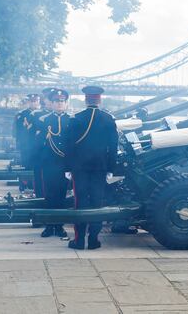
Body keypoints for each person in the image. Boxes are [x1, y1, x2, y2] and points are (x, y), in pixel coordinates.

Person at [62, 85, 118, 250]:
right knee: (97, 203)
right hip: (100, 168)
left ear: (86, 99)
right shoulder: (108, 119)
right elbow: (113, 147)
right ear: (99, 100)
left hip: (79, 168)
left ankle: (79, 241)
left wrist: (68, 168)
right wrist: (111, 169)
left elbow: (68, 146)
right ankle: (93, 240)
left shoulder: (76, 118)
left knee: (80, 202)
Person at [35, 89, 70, 238]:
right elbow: (37, 144)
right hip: (49, 163)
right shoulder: (44, 120)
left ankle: (59, 226)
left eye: (62, 101)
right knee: (49, 195)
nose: (59, 103)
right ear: (52, 103)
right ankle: (50, 225)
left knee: (62, 195)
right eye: (56, 101)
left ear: (66, 103)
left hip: (65, 164)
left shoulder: (72, 119)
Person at [27, 88, 54, 197]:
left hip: (57, 155)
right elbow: (30, 137)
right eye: (49, 99)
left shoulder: (65, 116)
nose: (51, 101)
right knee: (40, 179)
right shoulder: (36, 114)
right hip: (40, 153)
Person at [13, 93, 40, 168]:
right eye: (31, 101)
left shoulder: (42, 113)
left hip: (39, 143)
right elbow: (18, 130)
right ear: (28, 102)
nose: (33, 103)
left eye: (35, 101)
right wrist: (17, 142)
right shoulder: (22, 114)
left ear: (38, 102)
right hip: (26, 143)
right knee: (26, 164)